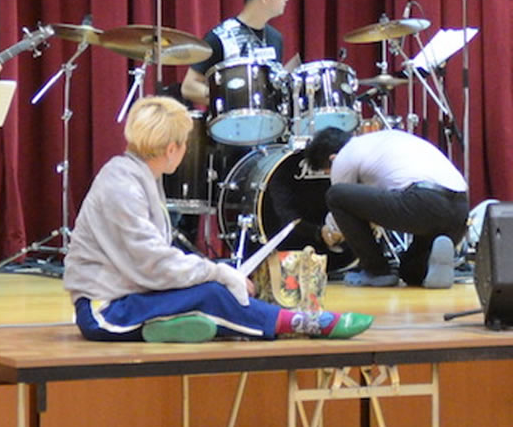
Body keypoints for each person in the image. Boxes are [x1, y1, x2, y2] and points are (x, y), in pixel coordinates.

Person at [65, 97, 371, 342]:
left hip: (130, 296)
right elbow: (152, 263)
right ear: (171, 149)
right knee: (212, 292)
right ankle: (297, 323)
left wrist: (216, 273)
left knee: (214, 286)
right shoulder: (121, 186)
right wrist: (217, 274)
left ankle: (173, 324)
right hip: (106, 311)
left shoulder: (134, 175)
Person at [301, 126, 470, 289]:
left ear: (332, 158)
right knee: (410, 271)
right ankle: (430, 264)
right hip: (459, 210)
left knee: (336, 196)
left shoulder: (345, 155)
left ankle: (377, 272)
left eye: (328, 172)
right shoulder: (381, 141)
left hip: (423, 202)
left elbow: (340, 215)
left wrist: (326, 233)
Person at [180, 0, 290, 106]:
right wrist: (227, 99)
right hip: (233, 119)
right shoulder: (220, 37)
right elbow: (189, 87)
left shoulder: (275, 38)